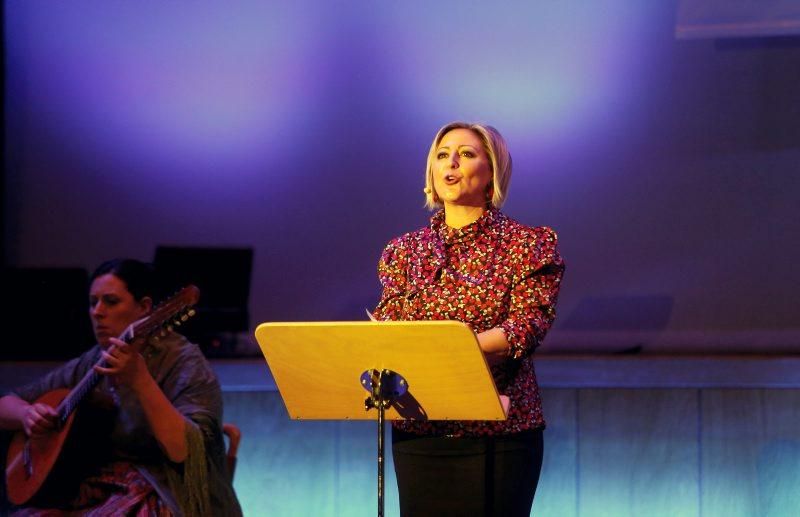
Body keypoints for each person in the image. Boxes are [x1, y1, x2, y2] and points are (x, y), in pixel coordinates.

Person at [373, 122, 565, 516]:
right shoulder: (403, 251)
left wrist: (451, 349)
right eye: (442, 154)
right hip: (419, 427)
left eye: (467, 153)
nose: (452, 162)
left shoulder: (527, 244)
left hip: (498, 434)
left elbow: (526, 327)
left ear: (491, 171)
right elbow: (391, 325)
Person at [0, 259, 242, 516]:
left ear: (145, 309)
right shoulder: (92, 361)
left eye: (111, 302)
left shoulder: (185, 363)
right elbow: (6, 404)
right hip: (94, 490)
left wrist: (140, 380)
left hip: (167, 493)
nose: (97, 312)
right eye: (93, 303)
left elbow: (188, 454)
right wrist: (27, 414)